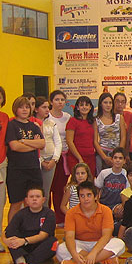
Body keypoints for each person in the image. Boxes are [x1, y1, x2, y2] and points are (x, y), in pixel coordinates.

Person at [56, 181, 126, 264]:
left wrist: (93, 253)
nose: (86, 199)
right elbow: (69, 236)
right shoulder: (71, 213)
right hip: (80, 243)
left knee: (119, 244)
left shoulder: (105, 210)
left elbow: (106, 235)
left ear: (95, 196)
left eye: (89, 195)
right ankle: (102, 260)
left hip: (100, 243)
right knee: (60, 249)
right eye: (82, 196)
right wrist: (74, 254)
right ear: (79, 198)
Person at [3, 186, 57, 264]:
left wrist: (24, 241)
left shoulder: (49, 214)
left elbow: (43, 235)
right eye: (31, 197)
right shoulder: (20, 214)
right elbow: (6, 231)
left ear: (43, 200)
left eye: (37, 196)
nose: (34, 199)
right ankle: (22, 263)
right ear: (26, 200)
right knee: (11, 236)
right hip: (25, 247)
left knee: (53, 242)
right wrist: (5, 240)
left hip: (40, 247)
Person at [6, 96, 45, 222]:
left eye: (27, 107)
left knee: (33, 202)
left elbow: (42, 144)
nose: (24, 110)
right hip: (16, 170)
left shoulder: (34, 126)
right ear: (15, 109)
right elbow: (14, 146)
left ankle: (31, 228)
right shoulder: (11, 125)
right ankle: (12, 230)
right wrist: (33, 144)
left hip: (33, 169)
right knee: (16, 203)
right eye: (21, 107)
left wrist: (23, 141)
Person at [48, 89, 71, 224]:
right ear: (51, 102)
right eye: (57, 99)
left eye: (62, 100)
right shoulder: (47, 117)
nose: (60, 102)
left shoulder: (67, 117)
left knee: (60, 188)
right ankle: (46, 217)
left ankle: (60, 217)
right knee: (48, 187)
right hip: (49, 157)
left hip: (64, 157)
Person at [36, 97, 62, 207]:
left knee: (46, 191)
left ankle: (45, 214)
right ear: (36, 109)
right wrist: (41, 161)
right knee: (36, 191)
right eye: (44, 107)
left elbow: (58, 142)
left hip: (51, 161)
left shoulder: (51, 123)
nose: (47, 110)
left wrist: (54, 160)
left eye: (48, 107)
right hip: (37, 161)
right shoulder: (32, 123)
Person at [94, 92, 126, 175]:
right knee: (102, 177)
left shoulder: (119, 118)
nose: (108, 105)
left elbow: (123, 137)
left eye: (110, 103)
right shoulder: (96, 120)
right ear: (100, 104)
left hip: (117, 152)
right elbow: (95, 141)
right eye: (105, 102)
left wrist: (119, 154)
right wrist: (104, 157)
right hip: (102, 153)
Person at [65, 96, 96, 176]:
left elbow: (95, 139)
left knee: (90, 181)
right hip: (75, 158)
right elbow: (69, 141)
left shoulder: (92, 121)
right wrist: (79, 158)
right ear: (77, 107)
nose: (84, 107)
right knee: (78, 180)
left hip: (90, 157)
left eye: (87, 105)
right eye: (81, 105)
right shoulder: (72, 121)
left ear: (90, 107)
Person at [94, 147, 128, 218]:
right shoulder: (104, 173)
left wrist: (123, 205)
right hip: (104, 203)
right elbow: (97, 188)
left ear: (124, 161)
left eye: (120, 158)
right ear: (112, 159)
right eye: (115, 158)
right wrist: (97, 203)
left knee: (120, 212)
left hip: (117, 205)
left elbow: (127, 193)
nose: (117, 160)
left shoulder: (126, 174)